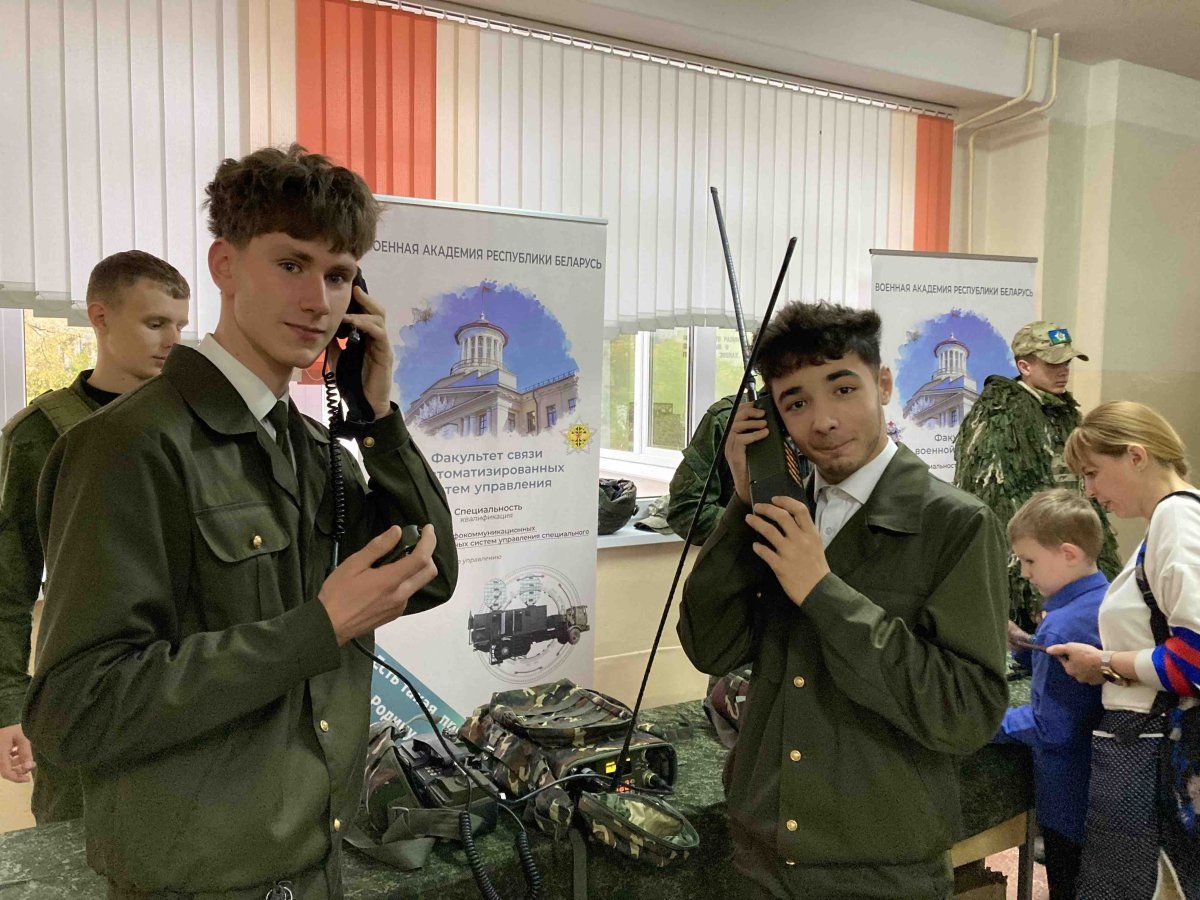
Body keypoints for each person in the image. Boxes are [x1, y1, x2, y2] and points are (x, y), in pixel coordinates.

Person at [23, 145, 458, 898]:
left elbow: (430, 572)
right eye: (291, 264)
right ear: (224, 266)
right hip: (200, 880)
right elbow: (77, 709)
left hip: (313, 860)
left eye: (339, 275)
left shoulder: (311, 447)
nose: (318, 300)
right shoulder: (128, 445)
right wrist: (316, 629)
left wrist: (378, 419)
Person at [678, 302, 1009, 899]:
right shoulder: (784, 511)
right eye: (796, 403)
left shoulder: (956, 524)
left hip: (880, 867)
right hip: (761, 854)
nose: (824, 421)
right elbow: (709, 647)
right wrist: (744, 502)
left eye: (844, 389)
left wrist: (824, 593)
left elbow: (966, 712)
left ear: (883, 385)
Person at [0, 250, 190, 821]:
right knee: (78, 842)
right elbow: (8, 582)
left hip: (186, 679)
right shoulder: (42, 436)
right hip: (84, 684)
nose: (172, 341)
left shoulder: (195, 425)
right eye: (155, 323)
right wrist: (8, 704)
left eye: (180, 326)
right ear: (100, 317)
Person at [1047, 401, 1200, 899]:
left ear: (1135, 455)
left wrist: (1106, 664)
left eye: (1093, 473)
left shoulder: (1177, 518)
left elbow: (1195, 661)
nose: (1090, 491)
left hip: (1158, 748)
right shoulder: (1172, 520)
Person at [953, 320, 1121, 631]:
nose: (1063, 371)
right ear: (1024, 366)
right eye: (1053, 363)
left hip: (1071, 558)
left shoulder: (1064, 413)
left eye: (1067, 362)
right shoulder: (1000, 416)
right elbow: (1001, 507)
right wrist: (1030, 591)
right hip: (1033, 572)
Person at [993, 489, 1108, 900]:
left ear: (1068, 554)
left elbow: (1050, 727)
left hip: (1069, 799)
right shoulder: (1100, 599)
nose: (1025, 573)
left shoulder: (1062, 623)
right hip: (1099, 793)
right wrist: (1023, 642)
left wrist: (986, 720)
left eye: (1030, 561)